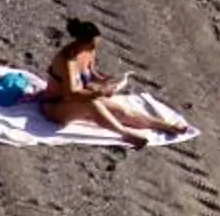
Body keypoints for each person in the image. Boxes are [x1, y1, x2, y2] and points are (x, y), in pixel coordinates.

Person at [41, 18, 175, 145]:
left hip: (79, 98)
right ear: (80, 42)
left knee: (122, 112)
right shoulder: (67, 61)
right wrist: (100, 93)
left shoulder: (88, 51)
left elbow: (91, 73)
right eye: (91, 46)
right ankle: (125, 134)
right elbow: (73, 94)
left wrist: (105, 80)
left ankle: (167, 126)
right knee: (92, 104)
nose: (94, 50)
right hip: (55, 106)